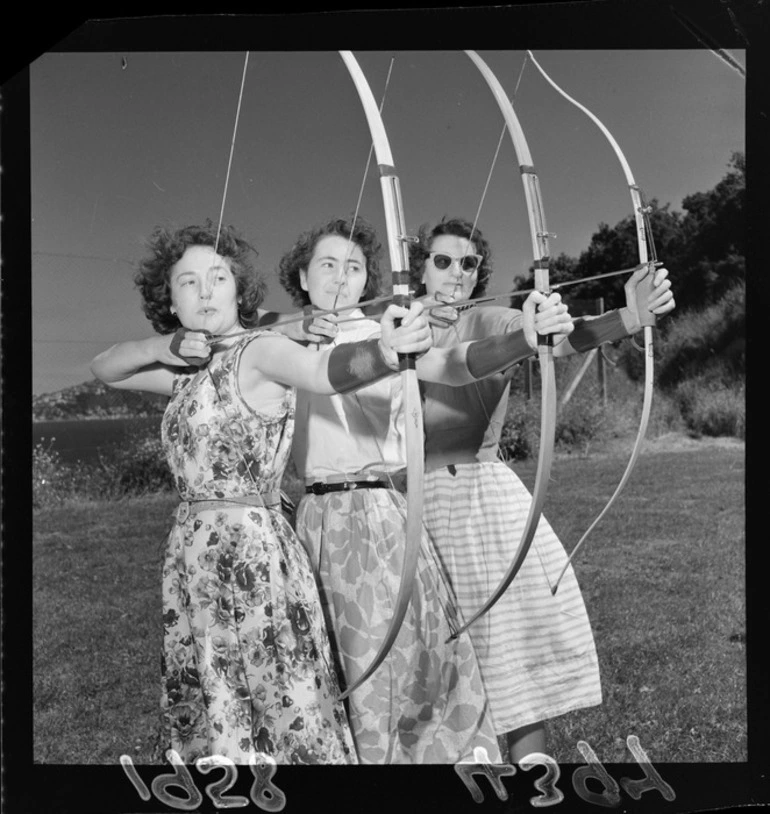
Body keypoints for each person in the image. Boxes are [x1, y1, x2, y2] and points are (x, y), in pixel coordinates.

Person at [90, 220, 433, 765]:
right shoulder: (186, 372)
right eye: (188, 282)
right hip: (192, 559)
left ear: (238, 289)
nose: (205, 292)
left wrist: (388, 352)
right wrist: (164, 346)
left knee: (276, 693)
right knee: (214, 690)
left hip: (253, 555)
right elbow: (105, 368)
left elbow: (322, 372)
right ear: (171, 301)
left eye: (218, 277)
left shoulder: (261, 349)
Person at [278, 216, 574, 764]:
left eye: (355, 267)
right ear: (301, 275)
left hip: (382, 513)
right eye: (327, 265)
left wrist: (527, 337)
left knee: (408, 662)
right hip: (313, 523)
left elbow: (455, 363)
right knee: (325, 663)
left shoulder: (387, 335)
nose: (342, 278)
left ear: (371, 279)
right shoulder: (275, 343)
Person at [408, 216, 676, 763]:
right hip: (404, 507)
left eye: (469, 263)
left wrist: (628, 316)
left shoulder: (490, 318)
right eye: (442, 261)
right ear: (418, 267)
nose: (456, 273)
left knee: (507, 641)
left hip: (476, 499)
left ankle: (531, 775)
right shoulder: (393, 323)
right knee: (428, 657)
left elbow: (560, 336)